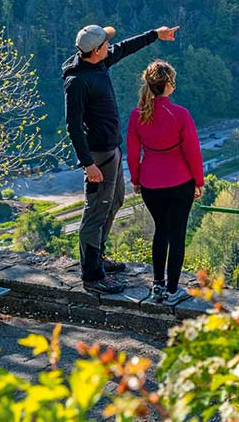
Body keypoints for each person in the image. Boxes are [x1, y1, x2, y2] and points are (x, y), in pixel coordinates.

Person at [64, 22, 177, 294]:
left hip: (111, 148)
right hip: (98, 155)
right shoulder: (77, 82)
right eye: (106, 44)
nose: (110, 47)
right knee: (96, 210)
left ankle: (99, 256)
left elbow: (125, 48)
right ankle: (92, 275)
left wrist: (154, 35)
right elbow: (73, 126)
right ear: (96, 50)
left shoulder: (97, 62)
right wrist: (88, 164)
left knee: (114, 201)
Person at [126, 60, 204, 304]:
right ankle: (172, 290)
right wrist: (199, 181)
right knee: (177, 234)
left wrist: (137, 180)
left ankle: (157, 285)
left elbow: (132, 152)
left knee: (160, 230)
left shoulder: (137, 115)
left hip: (150, 183)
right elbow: (192, 151)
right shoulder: (180, 114)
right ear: (168, 84)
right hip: (179, 182)